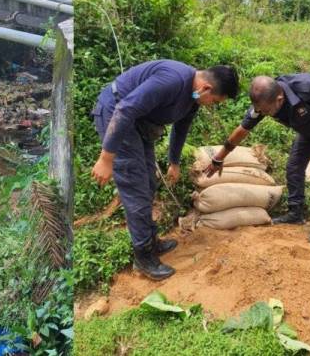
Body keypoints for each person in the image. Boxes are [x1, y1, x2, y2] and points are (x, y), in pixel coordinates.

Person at [90, 60, 240, 280]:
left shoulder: (193, 98)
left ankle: (151, 242)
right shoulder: (173, 80)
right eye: (215, 101)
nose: (211, 105)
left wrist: (174, 162)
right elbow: (125, 109)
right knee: (136, 188)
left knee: (149, 184)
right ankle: (143, 257)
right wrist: (106, 158)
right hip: (117, 114)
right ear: (206, 88)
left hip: (139, 124)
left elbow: (181, 128)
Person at [204, 74, 310, 248]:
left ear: (279, 99)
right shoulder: (264, 103)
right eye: (261, 110)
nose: (264, 114)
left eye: (268, 111)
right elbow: (243, 129)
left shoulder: (307, 86)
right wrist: (219, 158)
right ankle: (296, 212)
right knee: (294, 165)